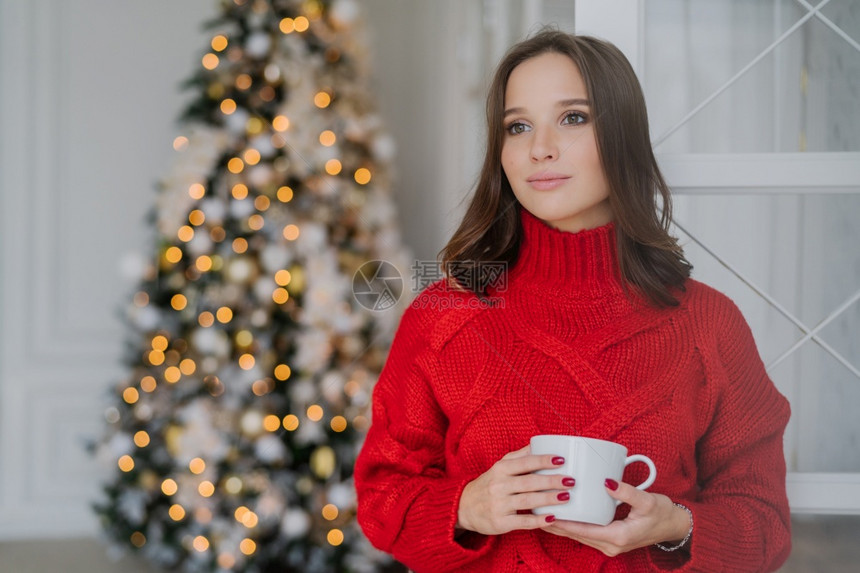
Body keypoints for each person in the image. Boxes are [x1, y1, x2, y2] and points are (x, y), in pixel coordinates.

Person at [354, 29, 792, 572]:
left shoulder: (708, 323)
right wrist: (468, 507)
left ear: (622, 136)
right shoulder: (444, 316)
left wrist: (678, 525)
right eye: (518, 126)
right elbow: (381, 499)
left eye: (573, 117)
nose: (540, 148)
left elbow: (767, 523)